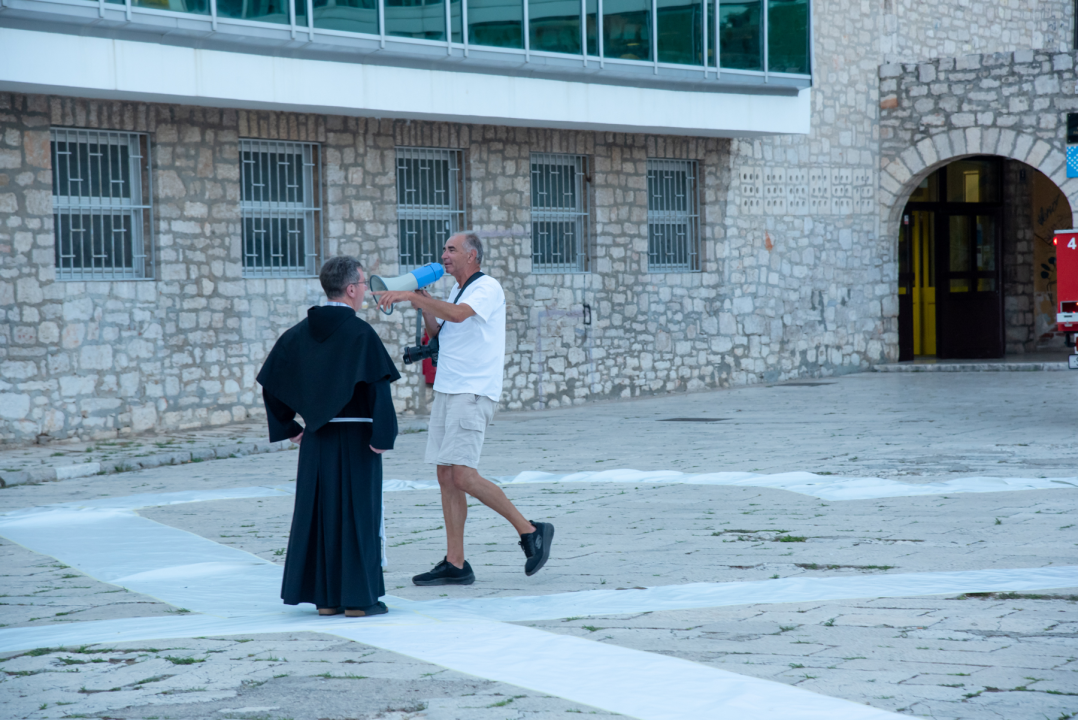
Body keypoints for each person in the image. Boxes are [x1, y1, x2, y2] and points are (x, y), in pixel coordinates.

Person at [375, 231, 554, 586]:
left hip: (471, 393)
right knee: (446, 476)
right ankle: (456, 563)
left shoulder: (486, 288)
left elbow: (457, 316)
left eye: (452, 249)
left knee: (462, 475)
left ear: (472, 256)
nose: (444, 255)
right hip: (449, 391)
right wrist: (423, 304)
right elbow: (440, 334)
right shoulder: (458, 291)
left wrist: (413, 295)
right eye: (443, 249)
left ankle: (531, 530)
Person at [257, 256, 400, 616]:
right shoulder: (361, 333)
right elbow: (377, 389)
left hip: (317, 440)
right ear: (351, 289)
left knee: (321, 515)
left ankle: (325, 600)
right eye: (365, 285)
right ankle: (357, 600)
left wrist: (290, 428)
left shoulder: (298, 333)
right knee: (358, 514)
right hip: (358, 439)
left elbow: (271, 383)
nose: (365, 291)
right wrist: (383, 435)